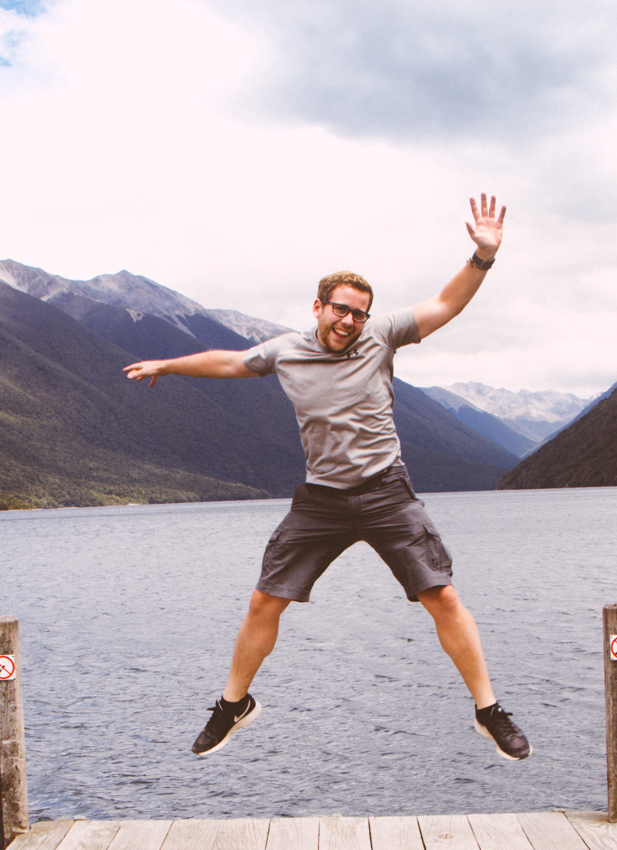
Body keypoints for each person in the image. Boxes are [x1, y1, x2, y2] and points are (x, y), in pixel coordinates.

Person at [124, 194, 530, 761]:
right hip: (321, 500)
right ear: (318, 307)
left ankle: (489, 712)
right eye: (340, 309)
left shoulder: (382, 336)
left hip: (386, 490)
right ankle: (233, 705)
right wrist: (168, 365)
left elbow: (444, 305)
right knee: (265, 601)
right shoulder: (286, 352)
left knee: (442, 594)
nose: (349, 321)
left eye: (358, 313)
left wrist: (482, 257)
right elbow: (230, 362)